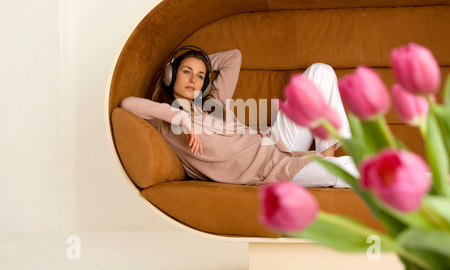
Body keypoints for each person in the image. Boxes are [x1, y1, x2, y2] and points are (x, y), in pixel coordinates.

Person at [121, 46, 358, 187]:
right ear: (169, 76)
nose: (194, 80)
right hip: (269, 169)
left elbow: (233, 57)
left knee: (320, 71)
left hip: (274, 141)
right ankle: (332, 168)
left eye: (201, 75)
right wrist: (180, 118)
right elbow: (128, 104)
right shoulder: (164, 121)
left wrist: (198, 64)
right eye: (186, 72)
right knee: (350, 169)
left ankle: (327, 156)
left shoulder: (213, 102)